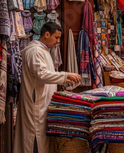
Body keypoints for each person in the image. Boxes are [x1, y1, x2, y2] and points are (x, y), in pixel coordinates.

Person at [14, 22, 82, 153]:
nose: (58, 41)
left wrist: (65, 79)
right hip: (36, 107)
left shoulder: (43, 51)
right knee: (35, 140)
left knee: (41, 140)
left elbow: (46, 74)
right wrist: (66, 75)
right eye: (56, 38)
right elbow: (41, 74)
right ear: (46, 34)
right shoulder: (35, 51)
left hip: (42, 104)